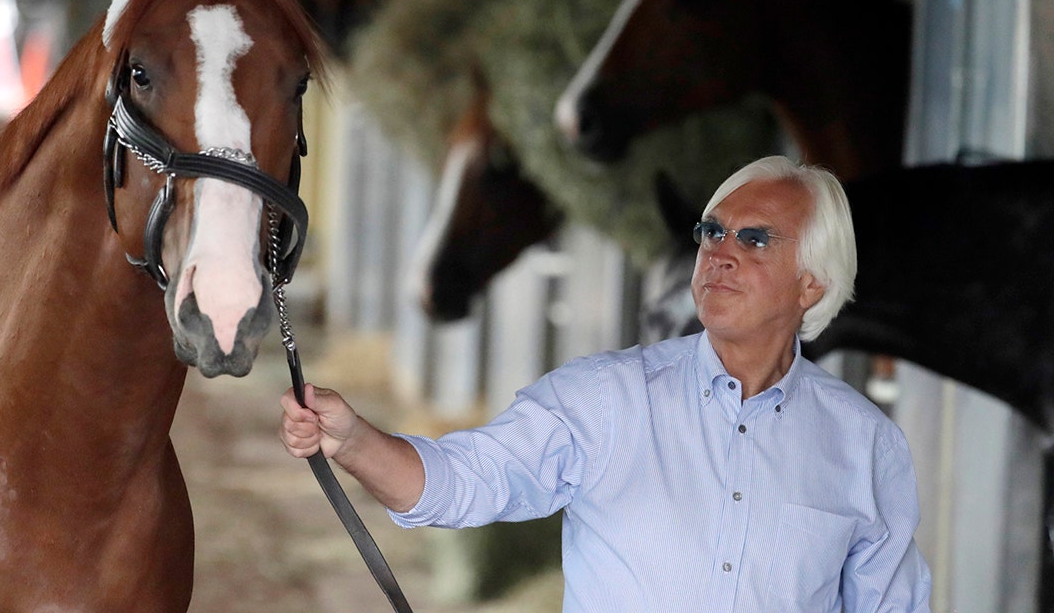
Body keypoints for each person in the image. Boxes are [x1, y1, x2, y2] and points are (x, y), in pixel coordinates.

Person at [281, 155, 932, 612]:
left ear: (812, 282)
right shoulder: (604, 400)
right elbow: (459, 484)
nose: (720, 253)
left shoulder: (865, 444)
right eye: (712, 232)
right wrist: (354, 439)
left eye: (755, 239)